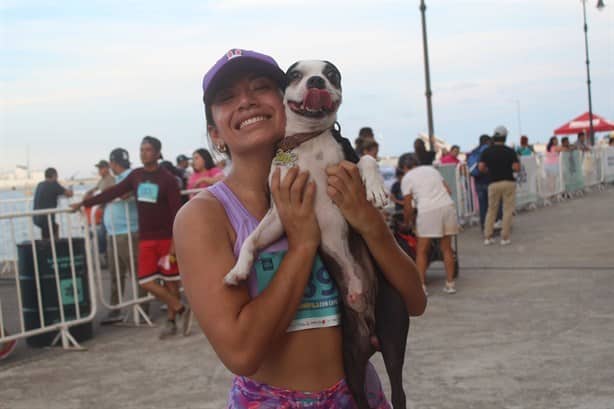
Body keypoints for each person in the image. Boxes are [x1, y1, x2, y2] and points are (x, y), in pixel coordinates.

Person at [173, 49, 426, 408]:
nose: (245, 101)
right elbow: (241, 353)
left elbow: (414, 301)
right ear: (215, 133)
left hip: (359, 394)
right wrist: (303, 244)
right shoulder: (203, 216)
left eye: (261, 87)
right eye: (227, 98)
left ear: (288, 101)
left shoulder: (342, 182)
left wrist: (370, 223)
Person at [71, 136, 189, 339]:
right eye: (141, 149)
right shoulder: (136, 176)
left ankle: (171, 322)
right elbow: (113, 192)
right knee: (145, 281)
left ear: (158, 153)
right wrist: (85, 203)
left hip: (165, 240)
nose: (143, 153)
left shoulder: (167, 179)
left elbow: (177, 212)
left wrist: (174, 243)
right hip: (146, 240)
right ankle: (180, 308)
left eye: (148, 149)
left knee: (170, 282)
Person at [398, 153, 459, 295]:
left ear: (405, 167)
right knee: (447, 248)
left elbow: (408, 206)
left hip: (427, 211)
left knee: (422, 250)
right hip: (447, 207)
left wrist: (407, 222)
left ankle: (422, 286)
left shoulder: (407, 178)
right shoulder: (432, 170)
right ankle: (450, 284)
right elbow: (448, 190)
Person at [100, 148, 143, 324]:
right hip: (113, 232)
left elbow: (127, 193)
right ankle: (115, 309)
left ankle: (141, 308)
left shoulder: (131, 175)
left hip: (128, 232)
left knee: (136, 272)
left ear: (112, 163)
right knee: (115, 274)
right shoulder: (115, 178)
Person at [479, 125, 520, 246]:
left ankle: (488, 236)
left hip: (493, 183)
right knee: (507, 210)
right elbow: (516, 168)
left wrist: (489, 171)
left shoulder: (487, 151)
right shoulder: (510, 151)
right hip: (508, 182)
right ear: (505, 137)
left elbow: (481, 167)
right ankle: (505, 237)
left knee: (491, 210)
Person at [84, 160, 116, 267]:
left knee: (102, 234)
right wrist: (88, 194)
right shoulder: (102, 180)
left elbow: (109, 193)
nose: (99, 170)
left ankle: (104, 257)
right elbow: (95, 189)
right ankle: (103, 256)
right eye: (99, 168)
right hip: (102, 211)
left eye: (101, 168)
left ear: (107, 168)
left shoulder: (110, 179)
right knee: (100, 234)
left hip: (109, 211)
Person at [32, 167, 74, 239]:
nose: (57, 178)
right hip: (46, 218)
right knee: (53, 228)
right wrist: (70, 187)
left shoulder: (40, 184)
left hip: (36, 218)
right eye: (57, 176)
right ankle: (54, 246)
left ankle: (47, 244)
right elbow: (69, 194)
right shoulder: (54, 184)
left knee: (52, 228)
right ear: (54, 175)